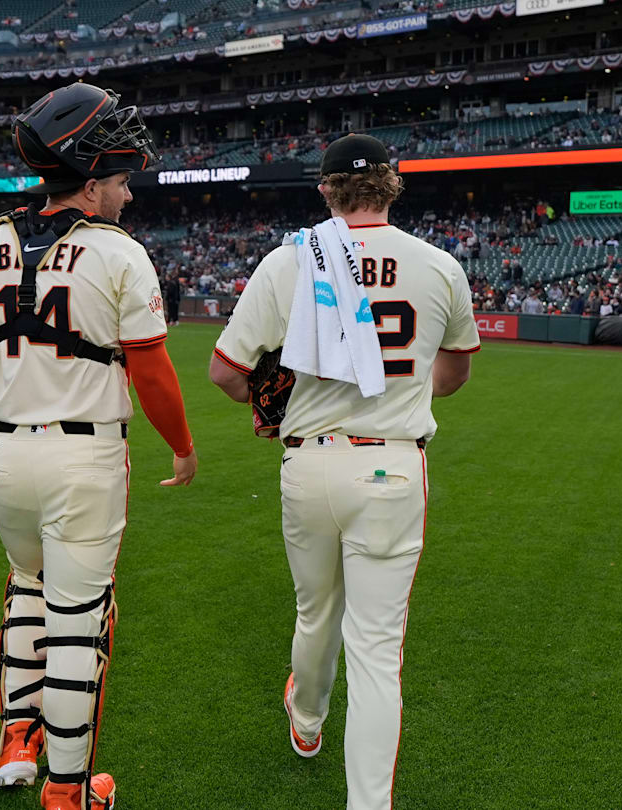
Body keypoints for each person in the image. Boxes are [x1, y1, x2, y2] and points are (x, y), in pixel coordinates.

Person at [0, 82, 196, 810]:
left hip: (5, 454)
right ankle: (69, 791)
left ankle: (16, 749)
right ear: (91, 176)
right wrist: (182, 446)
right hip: (85, 457)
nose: (127, 198)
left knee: (27, 592)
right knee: (81, 617)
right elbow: (151, 369)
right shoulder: (120, 255)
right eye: (119, 182)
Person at [207, 134, 479, 810]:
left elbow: (225, 374)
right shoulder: (439, 264)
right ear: (393, 187)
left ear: (326, 189)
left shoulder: (290, 260)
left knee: (314, 609)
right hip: (391, 461)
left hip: (310, 460)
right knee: (378, 653)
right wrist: (399, 386)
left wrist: (267, 393)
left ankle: (307, 723)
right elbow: (451, 377)